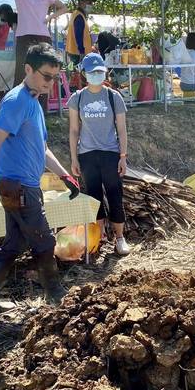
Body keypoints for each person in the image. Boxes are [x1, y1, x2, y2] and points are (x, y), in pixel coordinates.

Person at [0, 43, 80, 315]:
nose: (50, 83)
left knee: (15, 244)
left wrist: (63, 174)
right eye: (46, 76)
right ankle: (55, 294)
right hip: (17, 187)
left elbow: (41, 149)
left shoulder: (32, 102)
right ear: (28, 69)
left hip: (23, 187)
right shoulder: (17, 100)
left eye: (54, 78)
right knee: (44, 242)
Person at [67, 53, 131, 256]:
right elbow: (74, 130)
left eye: (99, 72)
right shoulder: (77, 98)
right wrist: (74, 157)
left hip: (110, 153)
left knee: (114, 194)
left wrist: (123, 156)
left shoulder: (114, 97)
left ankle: (120, 238)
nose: (96, 75)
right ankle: (99, 235)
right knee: (93, 196)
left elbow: (121, 129)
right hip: (87, 154)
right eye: (92, 72)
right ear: (84, 74)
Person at [0, 0, 68, 96]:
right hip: (24, 36)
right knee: (22, 72)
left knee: (45, 72)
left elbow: (64, 7)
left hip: (43, 37)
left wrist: (50, 18)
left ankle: (41, 110)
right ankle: (20, 107)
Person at [66, 0, 95, 66]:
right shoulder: (79, 16)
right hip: (78, 53)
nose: (91, 5)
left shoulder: (76, 14)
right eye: (89, 3)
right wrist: (82, 52)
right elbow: (78, 35)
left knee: (75, 74)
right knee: (79, 75)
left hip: (74, 52)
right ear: (82, 3)